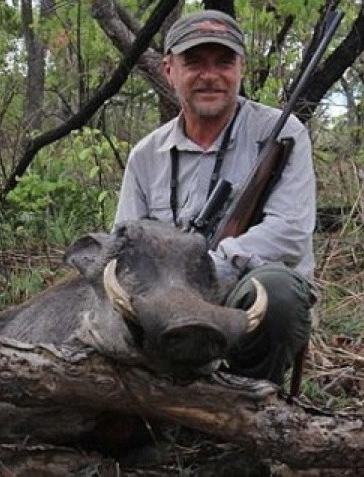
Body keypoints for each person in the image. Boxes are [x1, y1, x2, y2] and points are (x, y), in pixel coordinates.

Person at [114, 9, 317, 386]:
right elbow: (126, 244)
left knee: (278, 292)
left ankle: (249, 411)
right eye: (194, 63)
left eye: (224, 62)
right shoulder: (145, 155)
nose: (210, 76)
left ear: (240, 68)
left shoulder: (283, 133)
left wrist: (206, 267)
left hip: (242, 293)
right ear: (169, 69)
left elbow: (289, 233)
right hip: (168, 302)